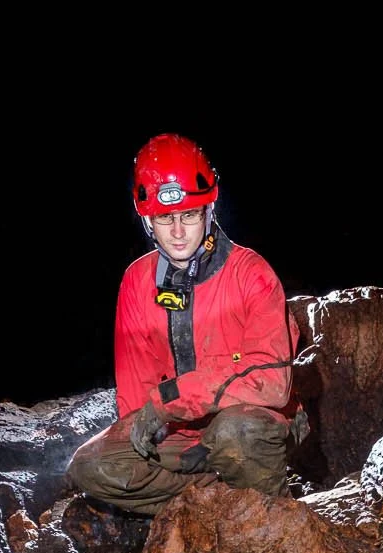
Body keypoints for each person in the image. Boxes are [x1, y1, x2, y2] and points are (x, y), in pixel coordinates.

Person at [66, 133, 298, 515]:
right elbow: (135, 392)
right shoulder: (137, 282)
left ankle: (268, 515)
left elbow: (271, 385)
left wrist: (169, 402)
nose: (177, 232)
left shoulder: (252, 275)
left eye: (189, 215)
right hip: (179, 434)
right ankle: (207, 499)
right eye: (164, 218)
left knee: (236, 433)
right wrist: (146, 436)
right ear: (147, 221)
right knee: (91, 466)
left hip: (254, 421)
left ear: (209, 209)